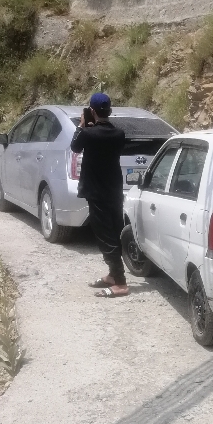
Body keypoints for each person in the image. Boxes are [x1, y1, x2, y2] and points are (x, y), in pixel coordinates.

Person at [70, 92, 129, 298]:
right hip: (114, 190)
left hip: (96, 192)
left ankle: (120, 283)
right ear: (110, 111)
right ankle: (113, 275)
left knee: (105, 236)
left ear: (92, 111)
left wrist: (82, 125)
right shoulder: (119, 134)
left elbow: (75, 147)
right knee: (114, 230)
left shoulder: (88, 134)